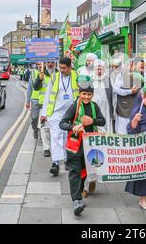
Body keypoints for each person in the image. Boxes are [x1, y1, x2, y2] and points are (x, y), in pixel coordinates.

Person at [59, 79, 106, 216]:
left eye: (89, 94)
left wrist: (93, 121)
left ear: (92, 95)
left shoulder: (94, 106)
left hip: (90, 146)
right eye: (84, 94)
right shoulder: (74, 106)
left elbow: (102, 120)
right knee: (75, 172)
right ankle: (76, 200)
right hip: (75, 146)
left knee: (85, 171)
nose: (86, 97)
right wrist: (73, 127)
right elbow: (62, 123)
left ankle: (78, 193)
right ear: (80, 94)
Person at [41, 57, 79, 176]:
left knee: (68, 137)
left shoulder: (76, 76)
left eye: (64, 68)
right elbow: (48, 96)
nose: (61, 70)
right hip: (56, 113)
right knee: (56, 136)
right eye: (60, 67)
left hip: (71, 113)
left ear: (70, 67)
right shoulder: (54, 78)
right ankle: (55, 163)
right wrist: (44, 113)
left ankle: (67, 160)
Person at [82, 59, 113, 197]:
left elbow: (114, 97)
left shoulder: (108, 81)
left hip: (104, 121)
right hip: (90, 123)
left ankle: (93, 179)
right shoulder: (89, 82)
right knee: (87, 153)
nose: (99, 70)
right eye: (97, 68)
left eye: (102, 68)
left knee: (98, 154)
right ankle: (85, 184)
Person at [113, 58, 145, 134]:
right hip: (123, 112)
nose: (142, 70)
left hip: (136, 112)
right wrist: (130, 91)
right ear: (133, 65)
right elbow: (115, 89)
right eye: (141, 67)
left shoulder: (143, 76)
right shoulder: (122, 75)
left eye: (143, 68)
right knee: (123, 134)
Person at [33, 61, 56, 157]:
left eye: (52, 62)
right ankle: (46, 148)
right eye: (48, 62)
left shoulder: (58, 74)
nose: (50, 64)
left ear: (54, 64)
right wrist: (39, 80)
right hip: (44, 106)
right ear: (46, 64)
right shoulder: (41, 75)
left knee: (55, 128)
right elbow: (36, 88)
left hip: (56, 105)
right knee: (44, 128)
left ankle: (55, 147)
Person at [26, 63, 43, 140]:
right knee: (34, 118)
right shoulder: (33, 73)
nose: (40, 65)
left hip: (44, 100)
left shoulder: (47, 73)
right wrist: (28, 101)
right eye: (38, 64)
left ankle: (42, 135)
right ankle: (35, 130)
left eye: (41, 64)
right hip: (35, 100)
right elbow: (29, 87)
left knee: (43, 120)